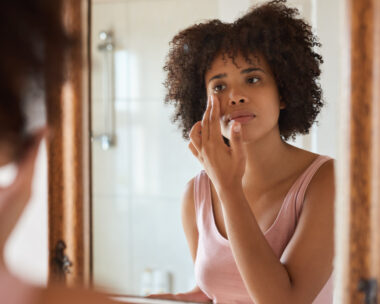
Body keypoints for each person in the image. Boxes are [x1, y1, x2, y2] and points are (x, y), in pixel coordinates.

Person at [148, 0, 335, 303]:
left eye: (252, 79)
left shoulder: (325, 181)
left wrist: (228, 188)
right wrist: (182, 299)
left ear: (284, 92)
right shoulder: (195, 195)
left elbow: (284, 300)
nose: (235, 96)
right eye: (219, 87)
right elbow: (216, 291)